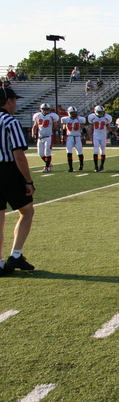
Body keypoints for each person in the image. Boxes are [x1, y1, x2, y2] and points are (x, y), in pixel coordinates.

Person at [0, 87, 36, 274]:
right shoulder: (9, 121)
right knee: (27, 211)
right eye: (14, 100)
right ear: (8, 101)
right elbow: (18, 154)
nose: (16, 104)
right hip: (7, 170)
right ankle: (15, 255)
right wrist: (27, 181)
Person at [31, 103, 60, 172]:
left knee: (47, 152)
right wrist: (33, 133)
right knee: (40, 153)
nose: (45, 110)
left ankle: (46, 167)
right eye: (44, 109)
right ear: (41, 109)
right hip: (40, 137)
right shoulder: (38, 116)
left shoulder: (52, 116)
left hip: (48, 136)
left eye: (47, 109)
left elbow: (56, 127)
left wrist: (57, 129)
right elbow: (35, 125)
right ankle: (49, 164)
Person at [87, 105, 113, 172]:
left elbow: (108, 126)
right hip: (95, 136)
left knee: (103, 151)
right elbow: (91, 127)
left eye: (102, 112)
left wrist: (111, 133)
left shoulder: (107, 117)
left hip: (103, 136)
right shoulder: (92, 117)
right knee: (95, 151)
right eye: (100, 112)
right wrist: (88, 134)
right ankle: (96, 166)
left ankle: (102, 166)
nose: (101, 113)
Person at [61, 106, 86, 172]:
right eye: (73, 113)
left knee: (79, 151)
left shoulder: (80, 119)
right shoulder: (65, 119)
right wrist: (63, 137)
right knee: (69, 152)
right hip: (69, 137)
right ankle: (70, 167)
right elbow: (64, 128)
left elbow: (83, 127)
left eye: (75, 112)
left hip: (78, 137)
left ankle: (81, 164)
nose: (74, 114)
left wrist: (85, 134)